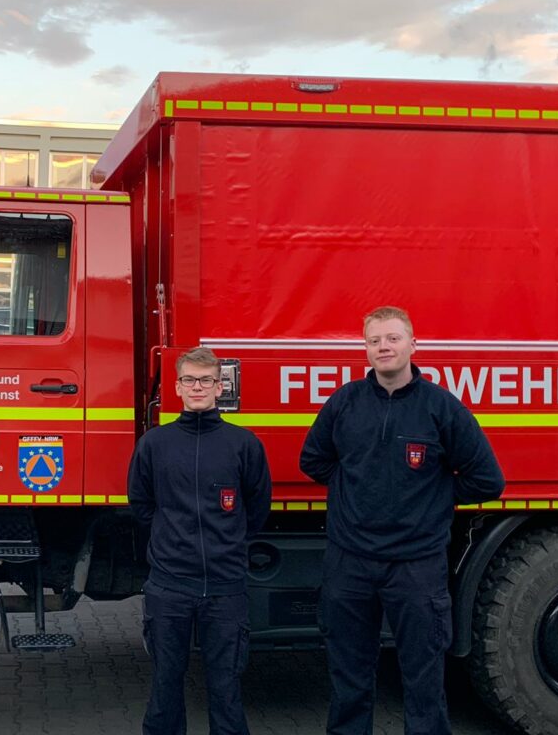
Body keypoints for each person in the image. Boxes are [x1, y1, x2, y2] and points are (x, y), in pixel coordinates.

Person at [299, 306, 504, 735]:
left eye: (392, 338)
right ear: (366, 349)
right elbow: (313, 460)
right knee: (349, 678)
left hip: (415, 566)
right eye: (374, 341)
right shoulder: (345, 402)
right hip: (350, 563)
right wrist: (352, 488)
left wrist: (435, 497)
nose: (383, 347)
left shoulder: (441, 407)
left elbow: (487, 479)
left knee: (423, 679)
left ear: (413, 344)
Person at [129, 346, 271, 735]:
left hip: (225, 587)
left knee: (225, 691)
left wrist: (226, 544)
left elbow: (257, 507)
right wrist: (171, 541)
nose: (197, 387)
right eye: (189, 380)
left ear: (219, 386)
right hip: (169, 586)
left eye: (205, 380)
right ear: (177, 387)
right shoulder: (155, 444)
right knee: (165, 690)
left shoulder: (243, 444)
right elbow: (141, 505)